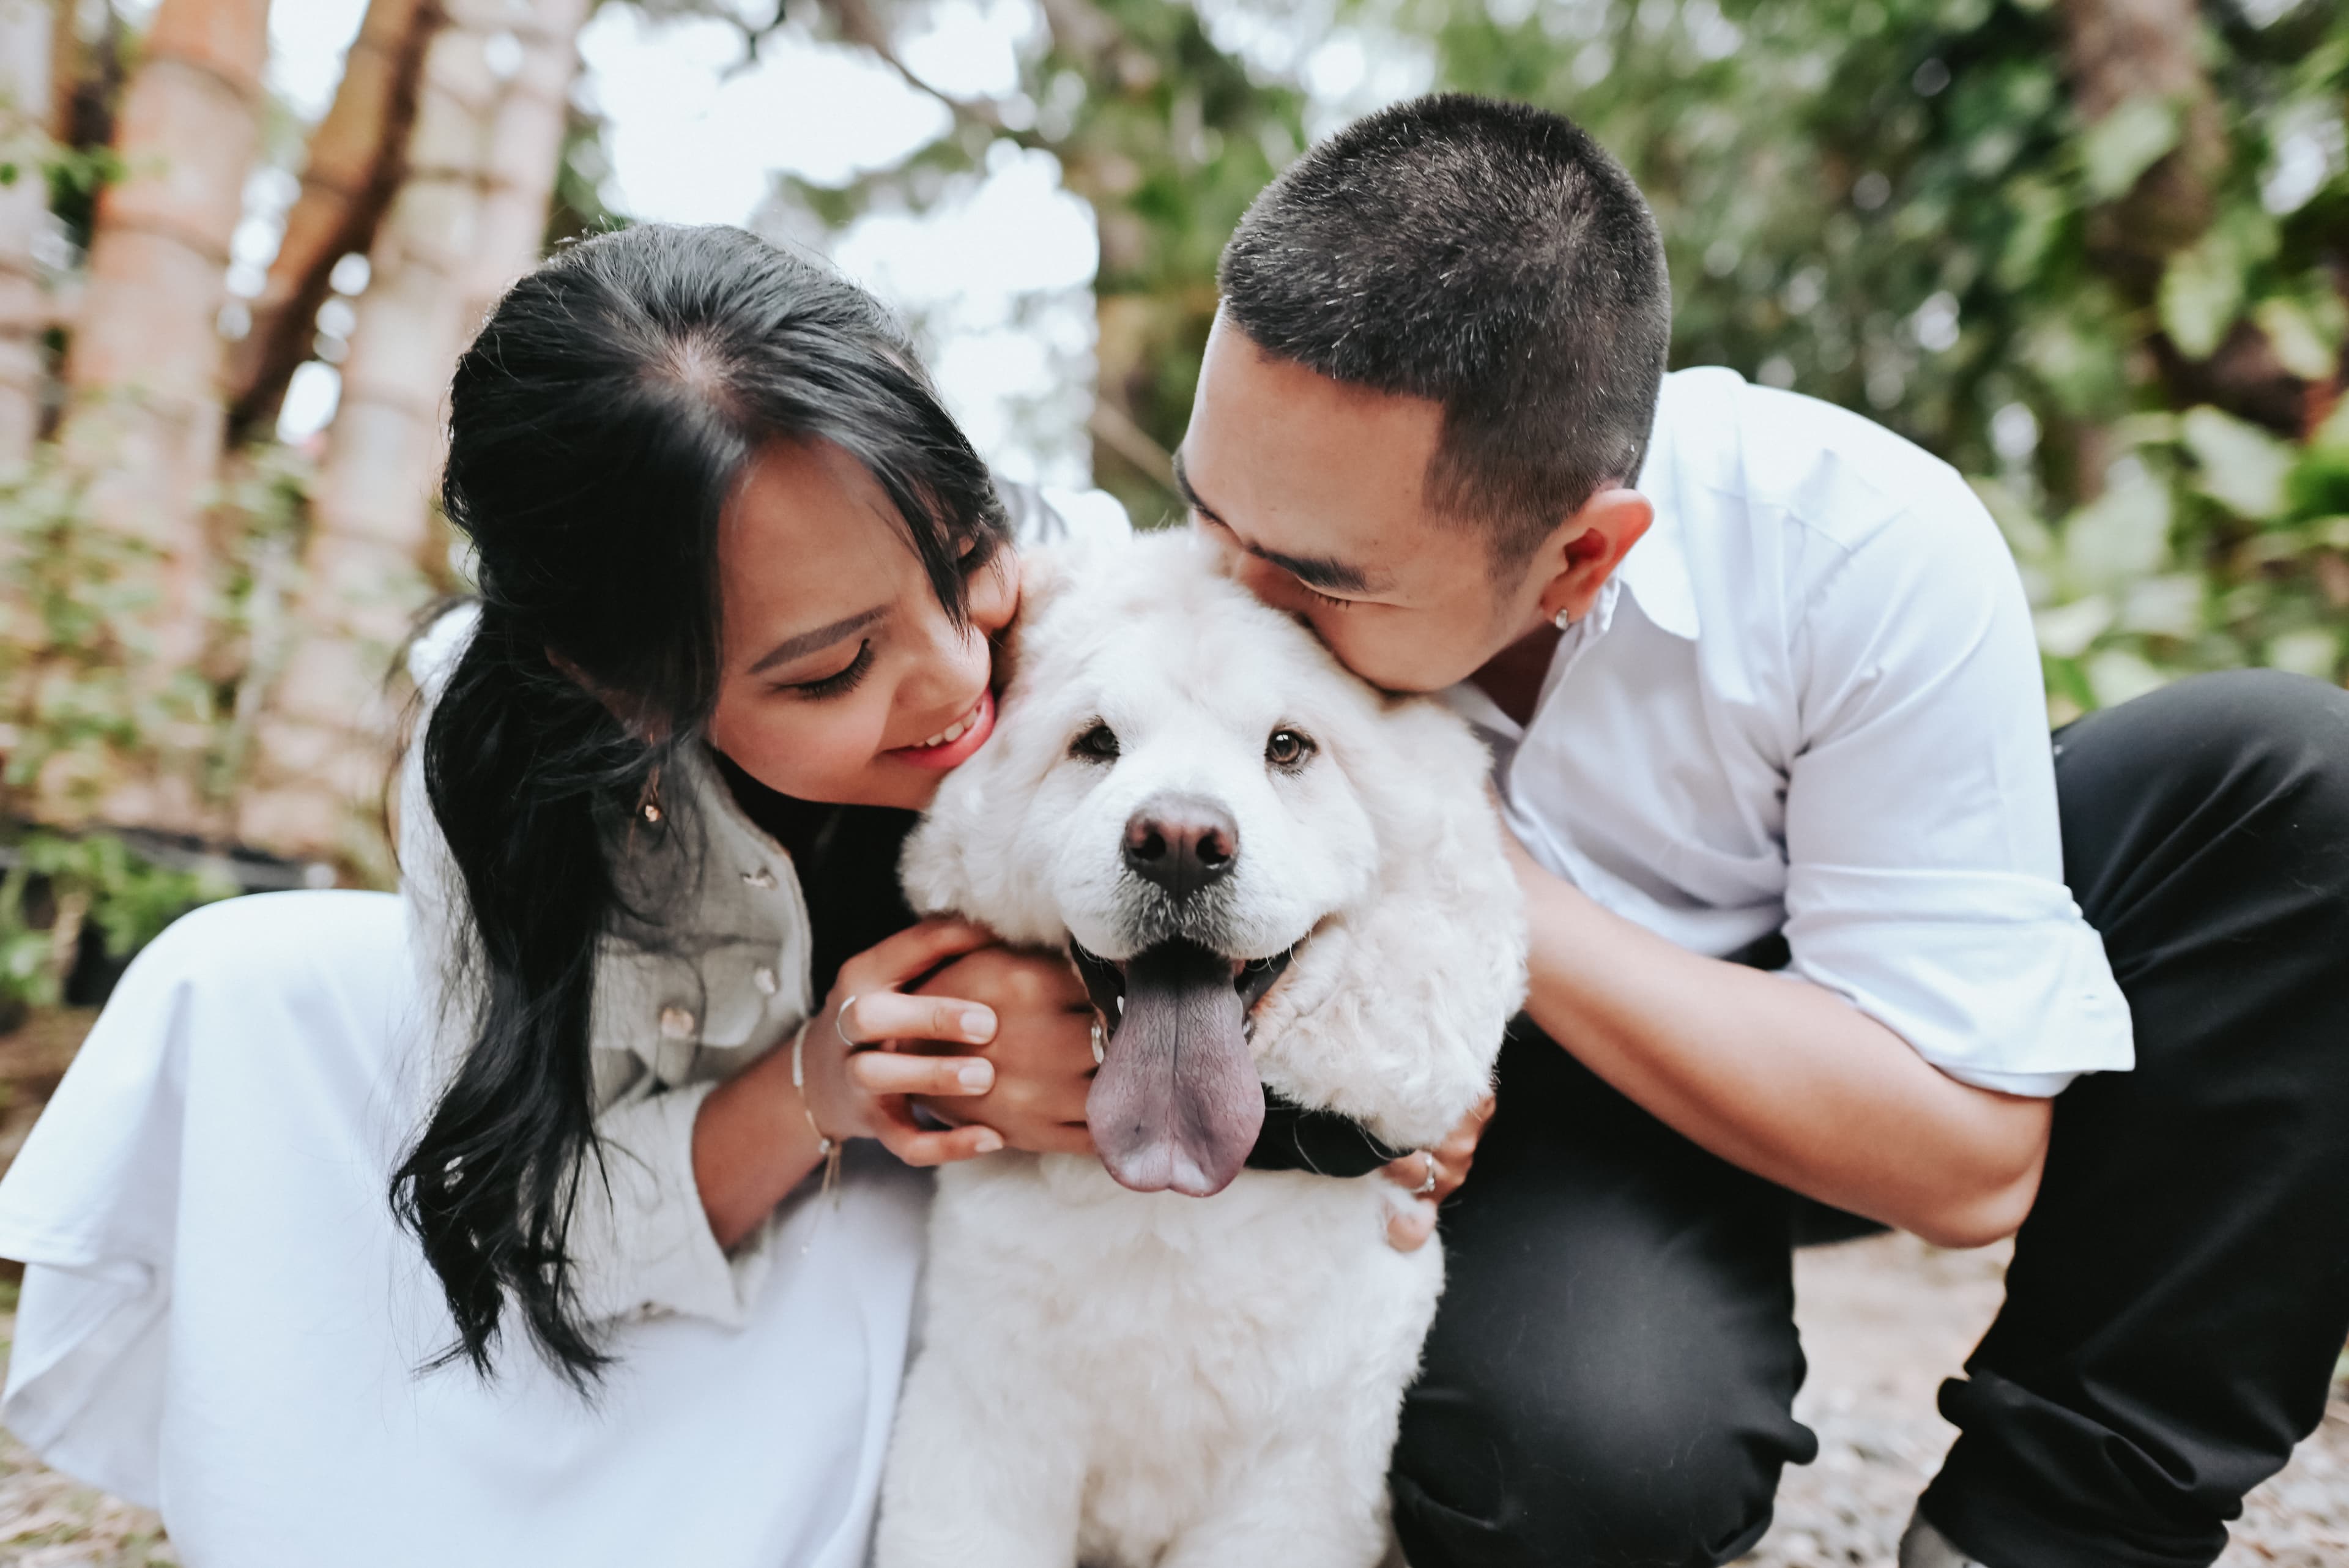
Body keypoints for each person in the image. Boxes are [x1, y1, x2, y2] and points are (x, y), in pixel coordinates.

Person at [0, 224, 1452, 1567]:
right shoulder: (499, 786)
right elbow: (530, 1210)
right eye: (833, 668)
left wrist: (1372, 1079)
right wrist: (829, 1088)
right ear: (629, 694)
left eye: (961, 568)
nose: (955, 679)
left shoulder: (1101, 613)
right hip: (744, 1195)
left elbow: (1368, 836)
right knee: (246, 978)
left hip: (997, 1243)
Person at [1165, 93, 2349, 1568]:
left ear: (1583, 554)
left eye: (1311, 577)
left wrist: (1499, 877)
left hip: (1830, 1012)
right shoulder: (1178, 610)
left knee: (2296, 786)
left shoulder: (1851, 542)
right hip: (1533, 1114)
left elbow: (1970, 1165)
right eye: (1205, 509)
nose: (1227, 595)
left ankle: (2055, 1529)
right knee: (1590, 1464)